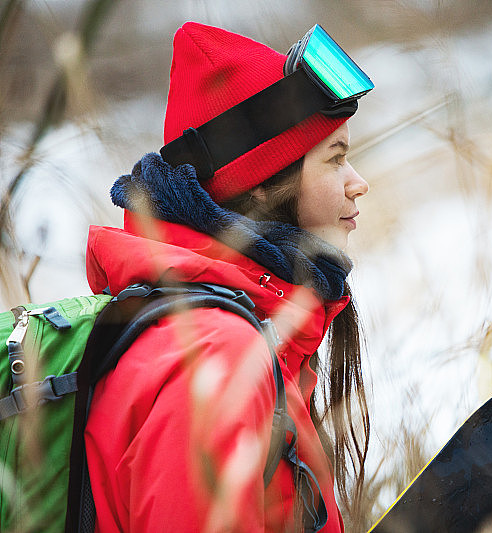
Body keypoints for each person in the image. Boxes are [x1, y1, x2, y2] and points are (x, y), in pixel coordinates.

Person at [82, 21, 372, 532]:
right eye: (335, 159)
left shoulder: (246, 335)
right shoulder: (219, 361)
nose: (359, 183)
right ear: (259, 187)